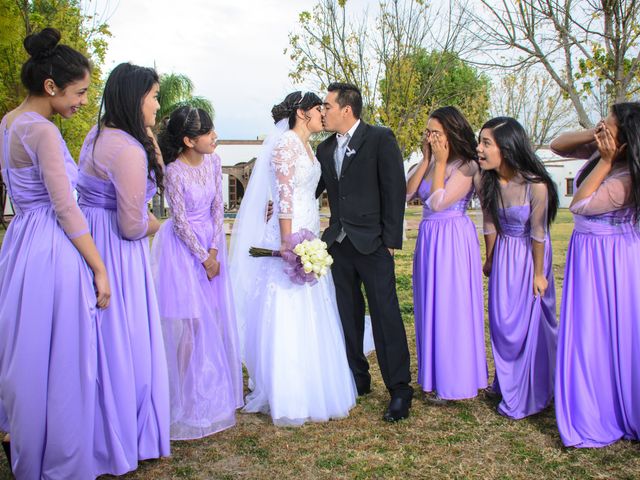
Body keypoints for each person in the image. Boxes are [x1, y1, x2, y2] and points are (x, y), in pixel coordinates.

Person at [0, 28, 110, 478]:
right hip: (50, 247)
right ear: (51, 87)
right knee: (62, 355)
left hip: (20, 245)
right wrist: (99, 267)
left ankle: (24, 439)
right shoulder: (42, 131)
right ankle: (59, 459)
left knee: (25, 350)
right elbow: (65, 207)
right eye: (80, 92)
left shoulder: (8, 122)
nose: (84, 101)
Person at [229, 91, 356, 426]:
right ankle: (288, 390)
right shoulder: (286, 143)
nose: (323, 114)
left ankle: (314, 381)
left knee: (311, 306)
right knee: (287, 306)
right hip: (292, 234)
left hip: (309, 231)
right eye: (319, 109)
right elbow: (284, 194)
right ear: (303, 113)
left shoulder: (307, 146)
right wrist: (288, 240)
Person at [77, 62, 170, 474]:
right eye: (153, 96)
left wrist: (148, 134)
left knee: (101, 341)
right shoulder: (129, 150)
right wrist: (159, 226)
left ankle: (97, 431)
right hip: (117, 249)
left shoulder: (96, 135)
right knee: (125, 338)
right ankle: (127, 435)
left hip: (91, 238)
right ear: (136, 99)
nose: (157, 104)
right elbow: (132, 224)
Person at [318, 83, 413, 421]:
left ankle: (400, 390)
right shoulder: (324, 148)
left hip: (373, 244)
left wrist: (389, 241)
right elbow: (312, 188)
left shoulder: (380, 138)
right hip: (338, 247)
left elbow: (394, 189)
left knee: (386, 315)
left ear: (347, 109)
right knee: (347, 315)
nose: (323, 111)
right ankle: (358, 378)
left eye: (327, 105)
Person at [553, 102, 640, 448]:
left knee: (608, 329)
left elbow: (579, 203)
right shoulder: (603, 149)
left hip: (611, 258)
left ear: (625, 142)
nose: (603, 128)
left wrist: (604, 159)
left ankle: (610, 406)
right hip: (591, 254)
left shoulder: (624, 178)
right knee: (594, 329)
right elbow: (559, 145)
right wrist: (597, 134)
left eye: (610, 126)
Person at [152, 106, 243, 439]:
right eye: (207, 132)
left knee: (212, 319)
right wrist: (203, 258)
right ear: (189, 140)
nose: (214, 136)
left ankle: (207, 385)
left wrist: (216, 251)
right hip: (183, 251)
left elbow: (218, 206)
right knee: (188, 324)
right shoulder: (174, 172)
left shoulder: (215, 162)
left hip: (212, 243)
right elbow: (179, 221)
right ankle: (179, 395)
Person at [477, 117, 558, 419]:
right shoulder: (488, 182)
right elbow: (489, 223)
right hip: (503, 257)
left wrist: (539, 274)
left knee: (527, 324)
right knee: (502, 324)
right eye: (479, 142)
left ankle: (528, 391)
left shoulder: (535, 185)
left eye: (486, 143)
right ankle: (506, 380)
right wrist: (489, 258)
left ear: (507, 147)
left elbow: (539, 232)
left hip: (529, 257)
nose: (479, 149)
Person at [406, 106, 486, 404]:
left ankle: (455, 380)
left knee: (452, 306)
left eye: (435, 133)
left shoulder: (467, 166)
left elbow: (439, 201)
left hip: (453, 238)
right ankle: (434, 376)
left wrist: (439, 163)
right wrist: (427, 160)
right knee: (430, 304)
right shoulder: (428, 162)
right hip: (429, 238)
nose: (430, 137)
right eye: (427, 133)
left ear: (450, 134)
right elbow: (406, 193)